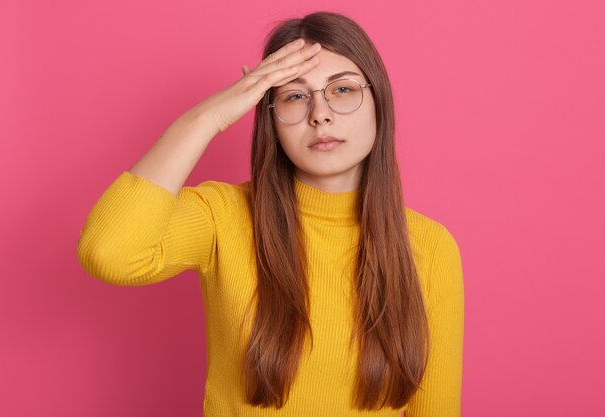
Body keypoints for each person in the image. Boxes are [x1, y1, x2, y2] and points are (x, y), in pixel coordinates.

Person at [77, 11, 464, 417]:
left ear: (378, 102)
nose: (321, 114)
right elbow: (108, 253)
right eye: (296, 96)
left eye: (343, 90)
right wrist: (209, 117)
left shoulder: (429, 247)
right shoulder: (222, 216)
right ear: (270, 120)